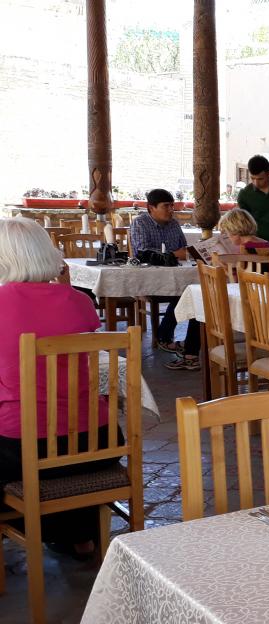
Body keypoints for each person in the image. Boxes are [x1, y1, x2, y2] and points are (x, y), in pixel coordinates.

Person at [0, 218, 123, 557]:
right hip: (98, 442)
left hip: (26, 450)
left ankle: (26, 529)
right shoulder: (79, 301)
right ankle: (79, 535)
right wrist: (64, 287)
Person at [129, 189, 203, 371]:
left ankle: (166, 335)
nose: (171, 210)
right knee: (189, 292)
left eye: (172, 206)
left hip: (175, 276)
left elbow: (184, 249)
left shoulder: (174, 224)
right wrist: (173, 254)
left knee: (194, 291)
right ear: (151, 208)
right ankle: (169, 338)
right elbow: (142, 252)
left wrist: (179, 253)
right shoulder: (140, 223)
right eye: (166, 206)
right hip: (150, 279)